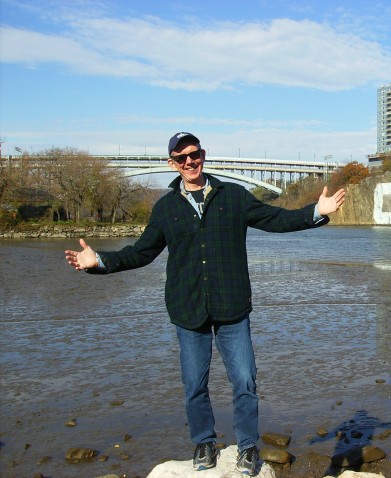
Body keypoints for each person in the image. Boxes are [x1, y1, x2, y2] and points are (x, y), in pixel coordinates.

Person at [64, 132, 346, 475]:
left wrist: (316, 212)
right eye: (180, 158)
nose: (189, 162)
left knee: (245, 382)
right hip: (188, 310)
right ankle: (204, 442)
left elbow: (275, 220)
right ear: (172, 163)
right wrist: (101, 262)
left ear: (203, 155)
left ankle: (246, 448)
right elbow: (141, 253)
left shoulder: (234, 196)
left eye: (193, 154)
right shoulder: (166, 207)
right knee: (194, 386)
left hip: (232, 307)